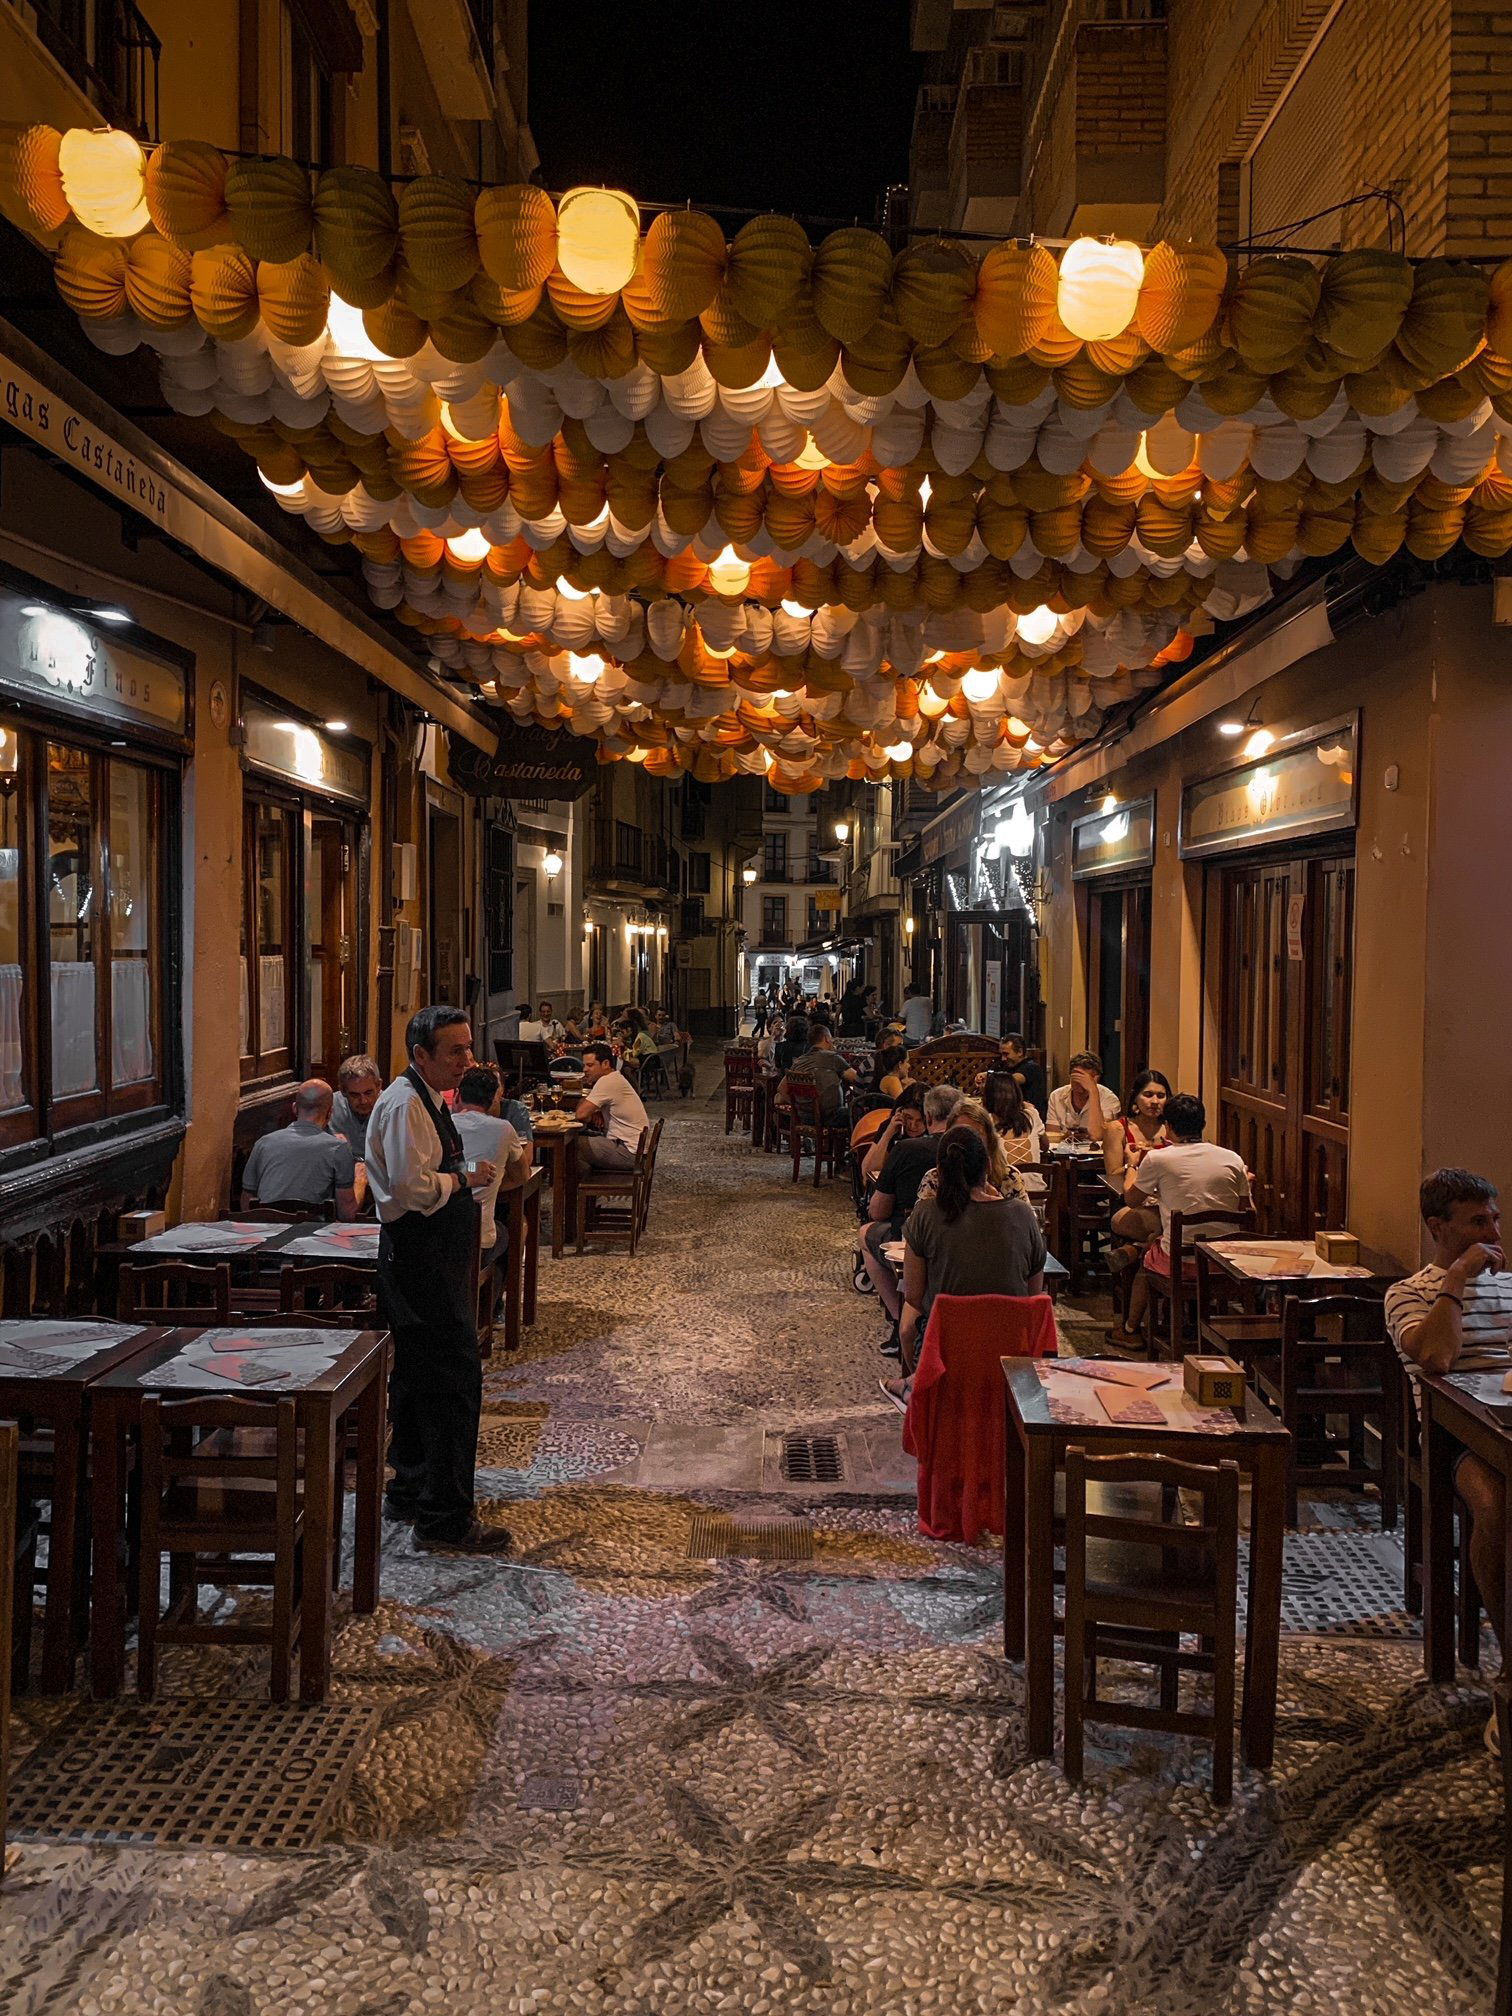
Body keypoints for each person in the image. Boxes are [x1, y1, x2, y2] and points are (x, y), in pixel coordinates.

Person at [366, 1004, 511, 1555]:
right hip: (422, 1260)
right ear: (420, 1055)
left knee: (418, 1381)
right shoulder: (406, 1105)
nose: (468, 1060)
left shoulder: (424, 1099)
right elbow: (411, 1189)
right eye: (456, 1051)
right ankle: (444, 1515)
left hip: (429, 1259)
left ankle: (411, 1487)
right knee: (452, 1385)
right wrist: (461, 1179)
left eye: (469, 1048)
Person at [1386, 1168, 1511, 1748]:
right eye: (1477, 1223)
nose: (1492, 1232)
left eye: (1494, 1220)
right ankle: (1510, 1671)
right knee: (1498, 1505)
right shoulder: (1409, 1293)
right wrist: (1458, 1278)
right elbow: (1435, 1358)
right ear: (1439, 1227)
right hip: (1454, 1436)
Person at [882, 1124, 1046, 1409]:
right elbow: (1034, 1294)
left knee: (910, 1324)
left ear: (939, 1170)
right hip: (1012, 1354)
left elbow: (913, 1297)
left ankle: (913, 1385)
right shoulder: (1022, 1214)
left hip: (945, 1354)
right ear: (989, 1165)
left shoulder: (925, 1216)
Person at [1124, 1090, 1249, 1291]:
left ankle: (1132, 1323)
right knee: (1155, 1240)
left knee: (1146, 1261)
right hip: (1226, 1261)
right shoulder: (1233, 1158)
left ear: (1169, 1127)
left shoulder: (1158, 1159)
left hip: (1181, 1263)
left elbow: (1131, 1200)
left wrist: (1131, 1166)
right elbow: (1248, 1213)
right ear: (1203, 1125)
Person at [862, 1084, 960, 1319]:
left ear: (928, 1117)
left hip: (910, 1232)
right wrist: (888, 1134)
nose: (914, 1125)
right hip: (959, 1232)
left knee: (867, 1233)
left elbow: (877, 1211)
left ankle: (900, 1317)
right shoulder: (967, 1146)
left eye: (918, 1120)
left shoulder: (907, 1150)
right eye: (908, 1119)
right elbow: (867, 1169)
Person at [452, 1064, 531, 1282]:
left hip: (441, 1234)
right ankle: (492, 1304)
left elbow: (453, 1168)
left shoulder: (442, 1124)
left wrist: (466, 1171)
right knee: (509, 1234)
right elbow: (523, 1175)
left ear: (458, 1095)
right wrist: (493, 1182)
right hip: (479, 1238)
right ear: (492, 1100)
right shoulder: (504, 1129)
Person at [242, 1079, 358, 1219]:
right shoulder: (338, 1148)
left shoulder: (263, 1143)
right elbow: (346, 1213)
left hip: (266, 1228)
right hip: (312, 1233)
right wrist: (361, 1181)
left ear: (294, 1108)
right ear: (330, 1113)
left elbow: (247, 1203)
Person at [574, 1039, 650, 1172]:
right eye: (584, 1065)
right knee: (578, 1148)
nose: (585, 1069)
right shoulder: (615, 1078)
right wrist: (596, 1113)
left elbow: (581, 1114)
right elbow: (586, 1117)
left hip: (628, 1152)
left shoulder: (607, 1081)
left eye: (590, 1065)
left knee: (571, 1145)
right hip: (635, 1150)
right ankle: (587, 1188)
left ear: (606, 1064)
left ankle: (582, 1189)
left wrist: (586, 1088)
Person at [787, 1022, 857, 1119]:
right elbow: (857, 1079)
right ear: (827, 1038)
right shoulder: (831, 1057)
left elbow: (782, 1089)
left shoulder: (798, 1061)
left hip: (804, 1117)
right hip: (829, 1117)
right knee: (861, 1114)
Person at [1046, 1051, 1121, 1137]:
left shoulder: (1109, 1099)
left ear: (1096, 1078)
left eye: (1084, 1078)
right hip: (1065, 1148)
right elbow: (1052, 1136)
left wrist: (1093, 1091)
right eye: (1077, 1077)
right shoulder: (1056, 1096)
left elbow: (1097, 1135)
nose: (1080, 1083)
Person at [982, 1070, 1046, 1171]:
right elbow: (1045, 1146)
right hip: (1038, 1185)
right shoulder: (1032, 1115)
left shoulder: (987, 1121)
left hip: (1005, 1185)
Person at [330, 1054, 383, 1160]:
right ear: (343, 1091)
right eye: (355, 1095)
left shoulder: (391, 1107)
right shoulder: (330, 1106)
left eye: (368, 1093)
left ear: (378, 1086)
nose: (363, 1101)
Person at [1000, 1033, 1047, 1115]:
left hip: (1029, 1117)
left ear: (1020, 1052)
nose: (1003, 1058)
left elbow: (1013, 1080)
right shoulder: (1008, 1066)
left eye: (1006, 1054)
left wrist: (989, 1076)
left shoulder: (1032, 1067)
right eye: (1002, 1054)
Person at [902, 983, 933, 1048]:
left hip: (911, 1038)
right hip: (926, 1037)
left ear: (909, 992)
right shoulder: (928, 1000)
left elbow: (900, 1019)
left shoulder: (908, 1003)